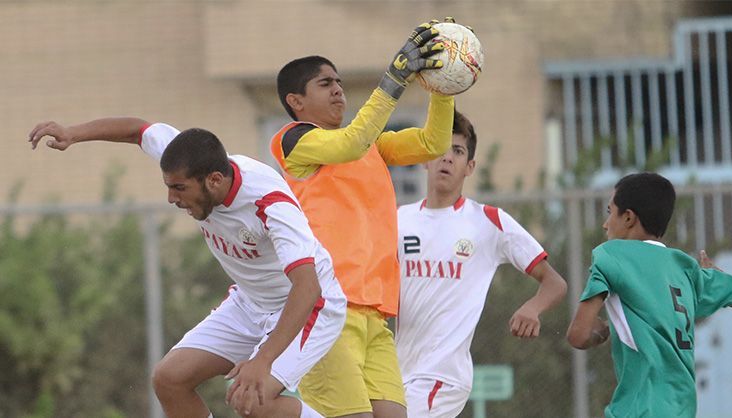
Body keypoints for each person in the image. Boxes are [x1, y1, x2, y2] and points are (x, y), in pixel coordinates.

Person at [28, 119, 347, 418]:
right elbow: (138, 130)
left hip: (310, 306)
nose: (171, 198)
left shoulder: (270, 204)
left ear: (215, 180)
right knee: (170, 379)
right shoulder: (189, 160)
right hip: (251, 303)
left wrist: (263, 360)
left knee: (252, 400)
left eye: (179, 188)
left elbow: (308, 286)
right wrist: (72, 134)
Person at [269, 18, 455, 418]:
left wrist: (444, 87)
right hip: (325, 311)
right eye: (325, 83)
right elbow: (352, 142)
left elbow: (432, 142)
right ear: (296, 101)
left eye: (338, 82)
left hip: (375, 315)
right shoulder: (293, 140)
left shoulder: (371, 146)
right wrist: (394, 79)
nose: (338, 89)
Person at [393, 110, 568, 417]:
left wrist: (533, 308)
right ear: (425, 158)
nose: (447, 158)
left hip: (443, 376)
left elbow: (555, 283)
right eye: (440, 148)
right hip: (396, 372)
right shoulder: (398, 220)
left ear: (470, 167)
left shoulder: (488, 221)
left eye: (458, 151)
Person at [566, 172, 732, 418]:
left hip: (638, 410)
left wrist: (602, 331)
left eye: (609, 212)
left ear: (628, 217)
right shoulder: (686, 268)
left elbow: (578, 335)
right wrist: (717, 276)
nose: (605, 224)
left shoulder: (611, 255)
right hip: (682, 409)